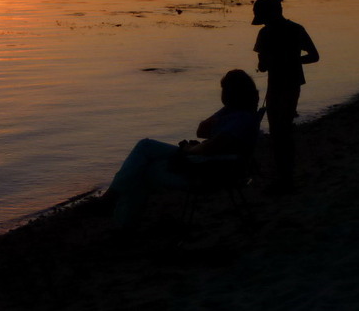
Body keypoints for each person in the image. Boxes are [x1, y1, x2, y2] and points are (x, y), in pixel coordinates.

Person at [100, 69, 262, 230]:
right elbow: (201, 131)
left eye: (224, 90)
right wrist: (197, 144)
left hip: (211, 173)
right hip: (206, 164)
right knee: (144, 150)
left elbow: (209, 147)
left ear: (232, 93)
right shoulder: (231, 111)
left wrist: (189, 149)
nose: (222, 94)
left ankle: (119, 215)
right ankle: (117, 208)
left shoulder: (242, 119)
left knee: (141, 170)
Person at [251, 0, 319, 193]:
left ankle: (285, 179)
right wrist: (294, 61)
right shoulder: (296, 29)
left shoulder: (265, 34)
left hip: (280, 85)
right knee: (283, 131)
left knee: (279, 131)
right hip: (291, 83)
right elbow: (314, 56)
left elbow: (262, 66)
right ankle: (285, 177)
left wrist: (272, 63)